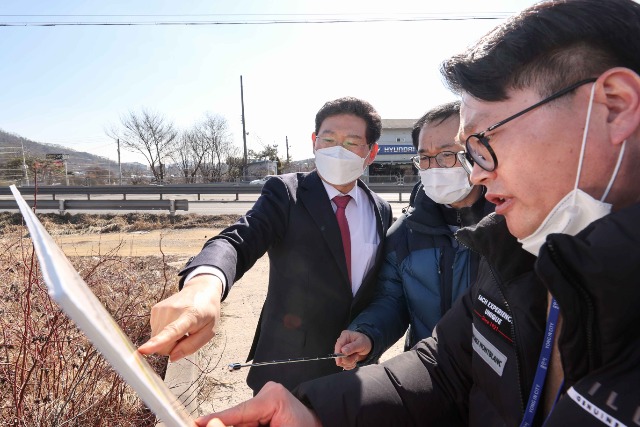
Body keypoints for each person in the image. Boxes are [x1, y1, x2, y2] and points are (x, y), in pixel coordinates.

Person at [195, 0, 640, 425]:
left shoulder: (411, 216)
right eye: (449, 155)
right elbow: (445, 364)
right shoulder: (515, 250)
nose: (477, 173)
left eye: (483, 142)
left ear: (615, 106)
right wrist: (319, 411)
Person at [138, 96, 393, 394]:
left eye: (351, 143)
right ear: (314, 142)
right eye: (328, 139)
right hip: (288, 371)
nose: (337, 150)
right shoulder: (286, 193)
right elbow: (239, 239)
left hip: (355, 371)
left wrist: (367, 336)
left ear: (371, 153)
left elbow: (377, 288)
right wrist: (204, 285)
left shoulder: (381, 209)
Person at [334, 101, 494, 370]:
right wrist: (367, 334)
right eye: (425, 158)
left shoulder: (512, 225)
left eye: (446, 154)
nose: (434, 167)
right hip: (429, 374)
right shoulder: (405, 233)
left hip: (500, 381)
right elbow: (392, 300)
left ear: (476, 152)